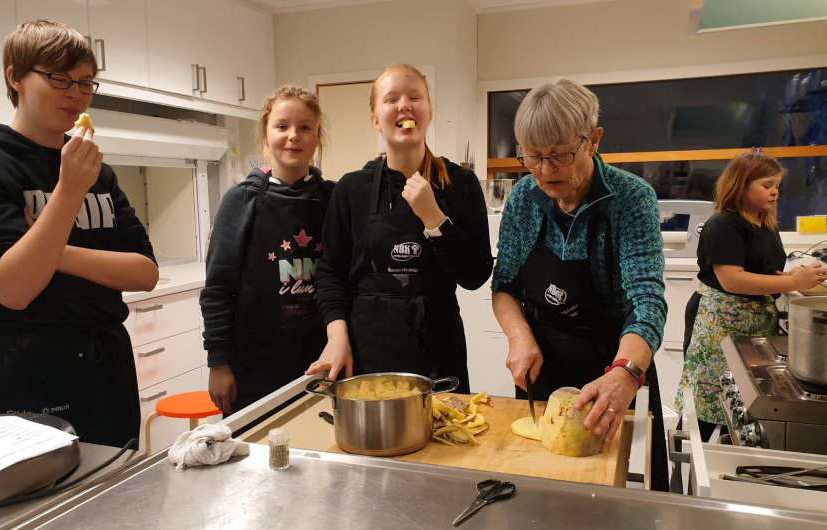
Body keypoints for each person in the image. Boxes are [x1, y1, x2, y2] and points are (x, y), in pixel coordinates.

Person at [0, 20, 158, 447]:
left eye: (85, 83)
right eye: (58, 79)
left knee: (115, 491)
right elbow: (15, 290)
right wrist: (68, 191)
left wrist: (51, 250)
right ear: (15, 77)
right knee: (37, 503)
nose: (75, 94)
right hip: (25, 365)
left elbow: (144, 272)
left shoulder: (97, 171)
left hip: (105, 364)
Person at [490, 78, 670, 491]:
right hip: (545, 362)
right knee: (540, 488)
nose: (545, 171)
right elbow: (505, 287)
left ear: (594, 141)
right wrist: (519, 339)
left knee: (616, 491)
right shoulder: (522, 199)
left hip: (615, 362)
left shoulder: (631, 199)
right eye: (532, 158)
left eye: (560, 156)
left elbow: (646, 298)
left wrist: (625, 375)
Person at [307, 64, 493, 393]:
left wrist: (435, 219)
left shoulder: (461, 185)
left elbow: (476, 274)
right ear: (376, 120)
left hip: (438, 349)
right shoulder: (351, 189)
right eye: (391, 99)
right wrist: (337, 338)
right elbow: (331, 274)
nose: (404, 105)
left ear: (429, 113)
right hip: (368, 350)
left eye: (414, 97)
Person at [201, 86, 335, 413]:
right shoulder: (240, 200)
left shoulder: (333, 199)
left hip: (321, 362)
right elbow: (218, 289)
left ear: (317, 138)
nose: (294, 136)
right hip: (254, 366)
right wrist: (218, 364)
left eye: (305, 127)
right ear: (266, 134)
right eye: (282, 126)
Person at [675, 151, 826, 441]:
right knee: (706, 409)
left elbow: (760, 268)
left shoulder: (764, 223)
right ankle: (682, 472)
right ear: (741, 185)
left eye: (777, 185)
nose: (774, 192)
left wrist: (786, 278)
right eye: (766, 185)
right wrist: (793, 280)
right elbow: (731, 279)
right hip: (719, 324)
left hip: (750, 325)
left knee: (739, 407)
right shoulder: (724, 224)